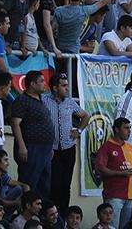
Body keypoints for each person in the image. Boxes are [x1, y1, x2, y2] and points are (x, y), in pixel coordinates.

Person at [42, 73, 87, 214]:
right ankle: (51, 215)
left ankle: (63, 216)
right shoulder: (44, 100)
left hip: (68, 148)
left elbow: (85, 116)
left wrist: (79, 130)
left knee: (66, 185)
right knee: (53, 184)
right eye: (63, 86)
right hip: (52, 149)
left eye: (67, 85)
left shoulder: (70, 102)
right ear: (55, 88)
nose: (67, 88)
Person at [9, 70, 54, 198]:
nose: (45, 84)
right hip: (31, 148)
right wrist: (22, 146)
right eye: (41, 81)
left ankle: (40, 209)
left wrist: (49, 147)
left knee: (44, 186)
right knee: (29, 184)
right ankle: (25, 209)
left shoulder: (41, 101)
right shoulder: (22, 100)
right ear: (32, 84)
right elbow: (15, 123)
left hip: (45, 149)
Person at [95, 117, 132, 229]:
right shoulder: (107, 147)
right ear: (117, 129)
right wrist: (121, 173)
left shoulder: (130, 148)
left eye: (129, 128)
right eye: (126, 128)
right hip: (114, 195)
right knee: (111, 226)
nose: (129, 131)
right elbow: (100, 168)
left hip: (129, 195)